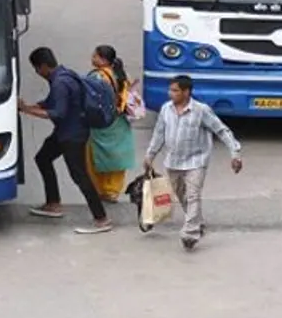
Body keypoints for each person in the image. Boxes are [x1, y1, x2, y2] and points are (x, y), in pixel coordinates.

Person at [18, 47, 113, 234]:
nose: (38, 73)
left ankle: (101, 218)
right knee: (43, 158)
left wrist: (28, 110)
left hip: (72, 135)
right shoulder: (64, 74)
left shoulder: (60, 83)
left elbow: (58, 112)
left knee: (79, 175)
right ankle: (53, 203)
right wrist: (30, 106)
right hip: (64, 132)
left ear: (44, 66)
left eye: (37, 69)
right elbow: (51, 101)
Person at [144, 75, 243, 250]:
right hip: (173, 161)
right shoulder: (166, 109)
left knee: (193, 195)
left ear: (186, 92)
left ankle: (189, 233)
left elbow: (221, 130)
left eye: (175, 90)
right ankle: (198, 223)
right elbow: (159, 134)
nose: (171, 94)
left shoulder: (201, 110)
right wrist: (150, 155)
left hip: (196, 161)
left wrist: (235, 153)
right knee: (182, 196)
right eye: (170, 90)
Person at [84, 45, 135, 203]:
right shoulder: (120, 75)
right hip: (119, 122)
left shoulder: (97, 77)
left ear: (103, 60)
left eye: (95, 56)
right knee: (117, 158)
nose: (92, 58)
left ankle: (99, 190)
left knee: (95, 157)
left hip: (101, 122)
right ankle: (112, 191)